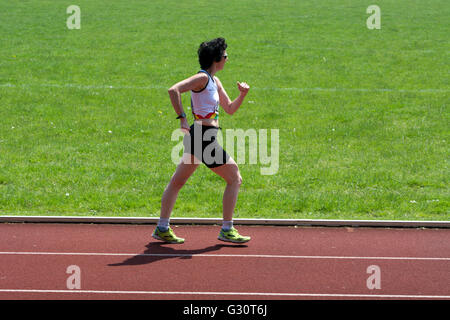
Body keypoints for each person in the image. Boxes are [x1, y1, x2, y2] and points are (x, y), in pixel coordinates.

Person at [152, 37, 251, 244]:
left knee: (177, 182)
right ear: (216, 59)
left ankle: (162, 227)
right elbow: (174, 90)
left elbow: (230, 109)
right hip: (204, 139)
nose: (227, 58)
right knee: (235, 178)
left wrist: (243, 94)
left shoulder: (215, 81)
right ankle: (227, 228)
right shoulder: (202, 79)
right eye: (225, 55)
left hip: (201, 137)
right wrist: (182, 119)